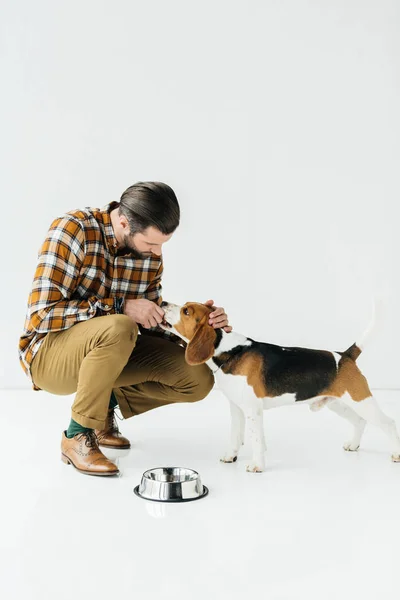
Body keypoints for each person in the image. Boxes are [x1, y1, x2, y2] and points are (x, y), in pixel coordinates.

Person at [18, 181, 231, 477]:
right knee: (119, 325)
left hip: (112, 348)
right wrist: (121, 306)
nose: (156, 252)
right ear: (123, 222)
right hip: (49, 356)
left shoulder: (150, 258)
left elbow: (152, 324)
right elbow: (41, 315)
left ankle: (103, 409)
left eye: (162, 245)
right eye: (151, 243)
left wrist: (203, 328)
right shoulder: (73, 230)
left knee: (197, 377)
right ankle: (76, 436)